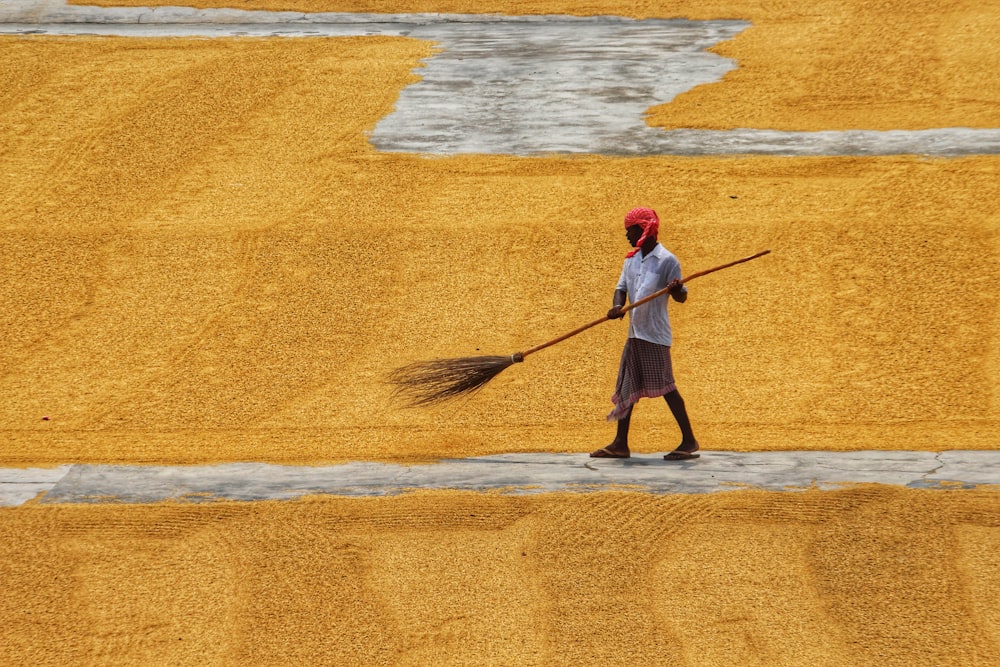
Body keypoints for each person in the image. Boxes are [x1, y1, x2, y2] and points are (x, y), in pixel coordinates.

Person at [590, 207, 700, 461]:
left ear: (644, 229)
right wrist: (617, 306)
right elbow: (621, 288)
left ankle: (689, 440)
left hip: (655, 336)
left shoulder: (667, 261)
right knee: (628, 387)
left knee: (667, 387)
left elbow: (682, 298)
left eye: (630, 231)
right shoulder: (631, 259)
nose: (627, 236)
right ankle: (620, 444)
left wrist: (675, 289)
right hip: (635, 334)